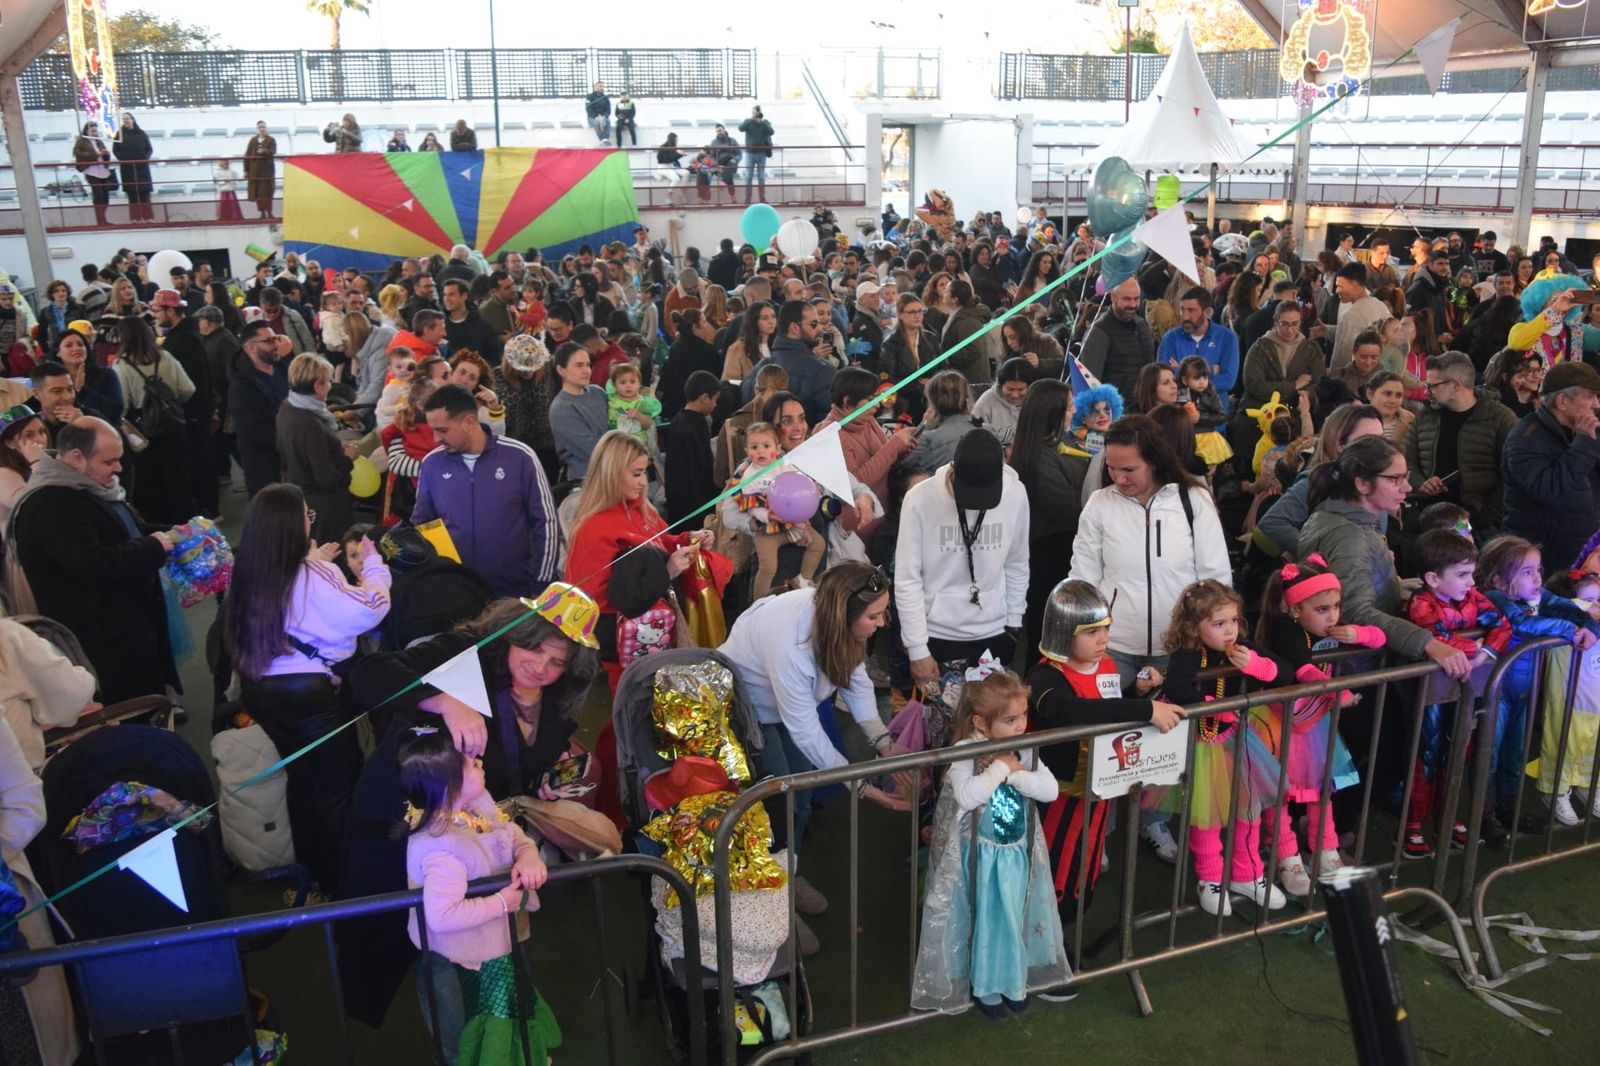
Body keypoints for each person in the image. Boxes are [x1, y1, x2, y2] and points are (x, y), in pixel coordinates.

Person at [340, 591, 599, 1026]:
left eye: (557, 663)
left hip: (482, 832)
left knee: (482, 950)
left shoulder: (555, 699)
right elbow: (370, 672)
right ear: (513, 634)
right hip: (417, 824)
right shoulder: (469, 654)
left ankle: (492, 1039)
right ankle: (455, 1047)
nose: (541, 667)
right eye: (533, 648)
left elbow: (521, 760)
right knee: (430, 945)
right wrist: (443, 701)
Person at [227, 484, 389, 894]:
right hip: (309, 698)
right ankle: (344, 884)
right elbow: (370, 610)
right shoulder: (314, 574)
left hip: (261, 691)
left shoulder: (248, 571)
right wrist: (373, 567)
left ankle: (313, 873)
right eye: (306, 515)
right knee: (338, 787)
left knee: (302, 780)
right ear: (294, 525)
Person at [909, 665, 1069, 1018]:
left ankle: (1011, 981)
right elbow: (966, 795)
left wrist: (1014, 771)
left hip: (1014, 854)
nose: (1020, 726)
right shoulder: (967, 749)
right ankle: (984, 987)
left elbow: (1050, 789)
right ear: (981, 722)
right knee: (984, 918)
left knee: (1010, 916)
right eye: (1010, 720)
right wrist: (1001, 768)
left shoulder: (1023, 748)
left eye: (1023, 716)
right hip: (977, 858)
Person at [1025, 581, 1184, 929]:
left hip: (1098, 793)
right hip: (1055, 799)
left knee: (1084, 869)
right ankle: (1041, 946)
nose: (1103, 639)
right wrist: (1143, 707)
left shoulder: (1106, 665)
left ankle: (1062, 938)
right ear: (1064, 632)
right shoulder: (1043, 675)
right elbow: (1070, 711)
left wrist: (1133, 692)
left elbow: (1105, 707)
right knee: (1048, 872)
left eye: (1106, 629)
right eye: (1092, 631)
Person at [398, 726, 557, 1065]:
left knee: (505, 1012)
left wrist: (528, 854)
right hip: (462, 960)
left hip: (491, 947)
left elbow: (509, 832)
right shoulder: (442, 847)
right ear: (448, 785)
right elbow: (442, 916)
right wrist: (501, 902)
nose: (479, 761)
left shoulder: (471, 808)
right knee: (466, 1030)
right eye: (469, 763)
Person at [6, 418, 177, 702]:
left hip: (126, 626)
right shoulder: (50, 503)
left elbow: (125, 530)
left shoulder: (85, 487)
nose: (118, 469)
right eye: (110, 462)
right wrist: (154, 546)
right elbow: (93, 562)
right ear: (76, 457)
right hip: (102, 640)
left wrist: (174, 533)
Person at [1254, 555, 1386, 894]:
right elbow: (1304, 671)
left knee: (1321, 787)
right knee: (1279, 793)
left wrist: (1357, 632)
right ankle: (1287, 858)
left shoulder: (1328, 627)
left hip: (1313, 721)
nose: (1333, 616)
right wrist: (1334, 693)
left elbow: (1379, 639)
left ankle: (1326, 851)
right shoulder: (1286, 629)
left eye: (1337, 607)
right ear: (1295, 608)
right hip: (1279, 723)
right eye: (1323, 609)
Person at [1160, 580, 1287, 915]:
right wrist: (1213, 706)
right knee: (1208, 812)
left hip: (1239, 741)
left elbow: (1284, 671)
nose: (1230, 630)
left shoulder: (1241, 645)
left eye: (1233, 620)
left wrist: (1257, 666)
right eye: (1218, 624)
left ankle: (1247, 872)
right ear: (1193, 627)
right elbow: (1178, 687)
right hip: (1202, 744)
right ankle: (1210, 877)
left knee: (1250, 806)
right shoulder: (1187, 653)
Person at [563, 432, 716, 687]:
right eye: (636, 474)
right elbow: (589, 600)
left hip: (652, 631)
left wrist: (689, 539)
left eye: (645, 473)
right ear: (612, 473)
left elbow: (661, 541)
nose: (644, 482)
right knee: (632, 706)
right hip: (621, 643)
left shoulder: (641, 510)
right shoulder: (593, 527)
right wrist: (665, 572)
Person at [1477, 534, 1600, 831]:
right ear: (1498, 579)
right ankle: (1484, 816)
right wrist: (1571, 628)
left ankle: (1510, 809)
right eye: (1527, 572)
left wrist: (1590, 625)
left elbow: (1568, 607)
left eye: (1538, 570)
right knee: (1488, 757)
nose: (1537, 578)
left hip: (1525, 691)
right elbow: (1522, 624)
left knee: (1516, 754)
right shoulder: (1495, 599)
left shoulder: (1538, 597)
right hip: (1497, 691)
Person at [1402, 530, 1513, 855]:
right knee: (1426, 756)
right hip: (1428, 696)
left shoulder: (1473, 598)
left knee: (1458, 753)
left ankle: (1447, 818)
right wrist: (1473, 646)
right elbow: (1434, 634)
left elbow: (1503, 624)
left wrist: (1484, 653)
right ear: (1433, 578)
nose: (1470, 582)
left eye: (1471, 573)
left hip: (1461, 693)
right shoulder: (1421, 602)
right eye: (1462, 574)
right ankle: (1413, 824)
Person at [897, 429, 1029, 684]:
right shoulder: (919, 499)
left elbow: (1017, 562)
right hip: (937, 634)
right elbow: (907, 578)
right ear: (954, 470)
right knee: (941, 721)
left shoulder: (1015, 494)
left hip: (996, 630)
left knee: (992, 722)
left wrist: (1014, 623)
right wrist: (917, 648)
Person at [413, 385, 558, 598]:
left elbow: (547, 523)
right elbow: (422, 525)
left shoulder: (521, 457)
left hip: (514, 594)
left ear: (469, 422)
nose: (435, 439)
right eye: (432, 430)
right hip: (456, 594)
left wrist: (540, 584)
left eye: (442, 430)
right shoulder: (431, 464)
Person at [1402, 351, 1518, 533]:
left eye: (1432, 386)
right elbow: (1407, 460)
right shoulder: (1425, 416)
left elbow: (1512, 473)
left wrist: (1485, 516)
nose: (1426, 392)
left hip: (1477, 520)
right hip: (1429, 516)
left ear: (1455, 385)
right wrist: (1421, 484)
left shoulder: (1499, 417)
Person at [1501, 361, 1600, 569]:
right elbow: (1550, 490)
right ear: (1563, 401)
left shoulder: (1586, 430)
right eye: (1590, 397)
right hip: (1545, 562)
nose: (1596, 405)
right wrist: (1584, 443)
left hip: (1585, 552)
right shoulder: (1524, 438)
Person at [113, 313, 196, 524]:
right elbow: (188, 388)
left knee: (152, 484)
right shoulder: (165, 357)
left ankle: (163, 530)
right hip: (174, 426)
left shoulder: (122, 366)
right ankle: (185, 525)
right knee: (179, 480)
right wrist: (170, 404)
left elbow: (121, 406)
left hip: (144, 432)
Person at [278, 354, 358, 543]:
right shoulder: (309, 424)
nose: (331, 385)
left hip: (303, 495)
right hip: (326, 508)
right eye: (328, 381)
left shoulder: (288, 406)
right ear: (317, 386)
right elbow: (327, 479)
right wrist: (348, 458)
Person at [743, 300, 836, 425]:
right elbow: (828, 426)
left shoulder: (756, 370)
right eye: (814, 324)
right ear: (794, 328)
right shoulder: (823, 371)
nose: (820, 329)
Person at [230, 321, 291, 497]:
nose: (275, 345)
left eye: (275, 339)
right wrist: (286, 441)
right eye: (269, 341)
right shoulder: (241, 385)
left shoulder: (283, 369)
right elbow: (251, 430)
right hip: (265, 466)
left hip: (292, 457)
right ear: (250, 347)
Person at [1158, 287, 1240, 406]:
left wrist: (1183, 374)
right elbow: (1166, 381)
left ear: (1207, 312)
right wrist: (1211, 370)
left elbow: (1228, 381)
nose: (1185, 316)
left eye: (1191, 310)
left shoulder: (1227, 338)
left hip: (1214, 416)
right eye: (1182, 310)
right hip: (1180, 414)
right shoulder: (1170, 338)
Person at [661, 370, 721, 525]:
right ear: (704, 398)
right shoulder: (697, 424)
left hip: (677, 501)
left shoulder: (678, 419)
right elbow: (704, 466)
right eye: (714, 399)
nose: (715, 405)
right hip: (695, 506)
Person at [1241, 298, 1322, 411]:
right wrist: (1293, 385)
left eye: (1295, 324)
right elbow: (1254, 385)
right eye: (1284, 324)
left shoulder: (1311, 349)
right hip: (1261, 410)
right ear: (1276, 322)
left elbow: (1319, 382)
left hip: (1297, 410)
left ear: (1300, 322)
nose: (1290, 330)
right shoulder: (1260, 348)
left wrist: (1307, 394)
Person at [1079, 278, 1154, 399]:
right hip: (1115, 410)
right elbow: (1091, 383)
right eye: (1127, 299)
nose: (1133, 304)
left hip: (1143, 405)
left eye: (1136, 298)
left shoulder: (1141, 325)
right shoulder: (1098, 332)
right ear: (1114, 297)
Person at [546, 342, 609, 481]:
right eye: (579, 365)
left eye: (588, 365)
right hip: (588, 479)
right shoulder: (561, 408)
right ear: (561, 370)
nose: (586, 370)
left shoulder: (597, 392)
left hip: (617, 470)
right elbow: (591, 449)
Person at [1325, 263, 1391, 370]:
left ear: (1354, 284)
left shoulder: (1351, 316)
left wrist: (1332, 375)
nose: (1336, 291)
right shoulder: (1380, 305)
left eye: (1339, 286)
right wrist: (1327, 330)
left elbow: (1341, 359)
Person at [51, 327, 123, 424]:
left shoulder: (106, 374)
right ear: (58, 352)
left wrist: (83, 390)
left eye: (81, 344)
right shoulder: (52, 380)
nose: (76, 348)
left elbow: (116, 411)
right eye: (68, 345)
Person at [0, 405, 47, 528]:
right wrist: (36, 462)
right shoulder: (3, 474)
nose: (40, 440)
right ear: (10, 443)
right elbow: (34, 506)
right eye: (29, 435)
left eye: (42, 432)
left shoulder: (42, 462)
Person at [971, 358, 1033, 448]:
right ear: (1001, 385)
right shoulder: (986, 401)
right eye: (1010, 389)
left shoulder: (1035, 401)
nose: (1015, 395)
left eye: (1021, 390)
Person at [112, 113, 155, 223]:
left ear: (133, 120)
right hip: (127, 168)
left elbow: (149, 149)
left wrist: (144, 158)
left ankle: (148, 217)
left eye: (128, 118)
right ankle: (135, 218)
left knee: (144, 193)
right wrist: (123, 159)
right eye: (124, 119)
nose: (126, 121)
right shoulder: (119, 135)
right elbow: (115, 150)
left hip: (142, 168)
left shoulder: (141, 134)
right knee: (132, 194)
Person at [72, 120, 116, 227]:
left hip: (102, 169)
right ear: (87, 130)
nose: (94, 133)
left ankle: (103, 219)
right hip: (91, 171)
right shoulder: (82, 141)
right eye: (92, 131)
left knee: (105, 195)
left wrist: (106, 154)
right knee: (98, 195)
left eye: (95, 131)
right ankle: (100, 221)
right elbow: (78, 154)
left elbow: (104, 153)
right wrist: (97, 154)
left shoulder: (99, 141)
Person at [738, 106, 774, 203]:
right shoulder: (748, 121)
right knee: (748, 176)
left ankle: (762, 198)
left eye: (758, 113)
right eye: (754, 113)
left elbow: (771, 132)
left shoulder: (765, 122)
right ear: (752, 113)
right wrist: (751, 120)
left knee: (761, 178)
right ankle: (747, 198)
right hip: (750, 153)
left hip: (761, 153)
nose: (756, 115)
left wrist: (763, 123)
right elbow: (740, 128)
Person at [244, 121, 277, 216]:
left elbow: (273, 151)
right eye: (260, 127)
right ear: (257, 128)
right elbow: (247, 155)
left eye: (264, 127)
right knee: (258, 192)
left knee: (267, 192)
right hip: (255, 171)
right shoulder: (253, 140)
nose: (262, 129)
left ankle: (269, 212)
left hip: (266, 171)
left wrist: (264, 151)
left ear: (266, 128)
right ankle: (262, 212)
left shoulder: (271, 140)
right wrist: (246, 170)